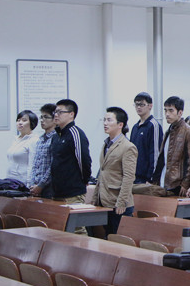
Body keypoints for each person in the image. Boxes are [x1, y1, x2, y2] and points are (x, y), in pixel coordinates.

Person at [92, 107, 137, 235]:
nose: (105, 123)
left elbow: (129, 177)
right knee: (107, 236)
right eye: (104, 120)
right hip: (104, 200)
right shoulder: (106, 144)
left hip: (118, 202)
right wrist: (95, 198)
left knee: (118, 239)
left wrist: (121, 202)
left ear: (120, 125)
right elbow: (102, 173)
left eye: (109, 120)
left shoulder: (128, 147)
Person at [50, 99, 92, 235]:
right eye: (55, 112)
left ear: (71, 114)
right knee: (60, 227)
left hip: (73, 191)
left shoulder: (75, 133)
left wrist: (84, 179)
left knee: (76, 228)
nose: (56, 115)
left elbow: (84, 160)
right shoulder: (56, 136)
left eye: (60, 112)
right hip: (57, 191)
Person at [151, 96, 190, 196]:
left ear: (180, 112)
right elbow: (162, 159)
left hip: (178, 184)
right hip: (163, 181)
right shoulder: (169, 130)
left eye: (171, 110)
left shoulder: (189, 131)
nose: (167, 114)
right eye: (165, 110)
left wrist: (186, 183)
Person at [130, 92, 163, 184]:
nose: (138, 107)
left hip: (146, 179)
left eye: (142, 104)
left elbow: (156, 154)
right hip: (133, 177)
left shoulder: (153, 125)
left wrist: (151, 178)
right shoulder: (135, 127)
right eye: (136, 105)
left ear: (150, 106)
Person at [29, 104, 57, 198]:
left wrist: (40, 186)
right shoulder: (40, 139)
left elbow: (52, 166)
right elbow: (35, 164)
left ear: (55, 120)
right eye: (41, 117)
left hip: (49, 187)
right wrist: (33, 184)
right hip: (35, 187)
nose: (42, 120)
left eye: (46, 117)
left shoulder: (56, 138)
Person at [6, 109, 39, 185]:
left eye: (24, 120)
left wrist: (29, 184)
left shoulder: (34, 140)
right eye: (18, 120)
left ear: (32, 123)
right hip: (10, 179)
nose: (20, 123)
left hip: (22, 181)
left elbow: (32, 165)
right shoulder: (16, 139)